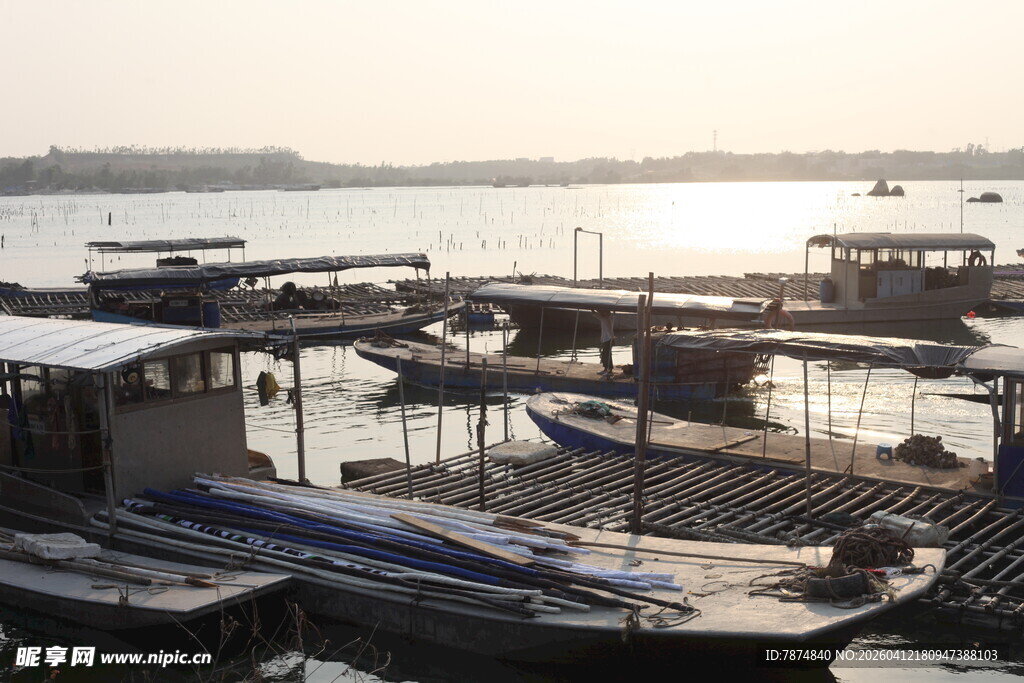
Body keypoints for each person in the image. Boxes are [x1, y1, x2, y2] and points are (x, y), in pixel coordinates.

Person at [593, 310, 615, 375]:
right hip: (606, 339)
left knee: (607, 355)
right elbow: (597, 315)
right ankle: (606, 369)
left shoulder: (606, 319)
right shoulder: (605, 318)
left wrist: (593, 309)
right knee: (605, 354)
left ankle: (609, 370)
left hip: (608, 339)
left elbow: (597, 315)